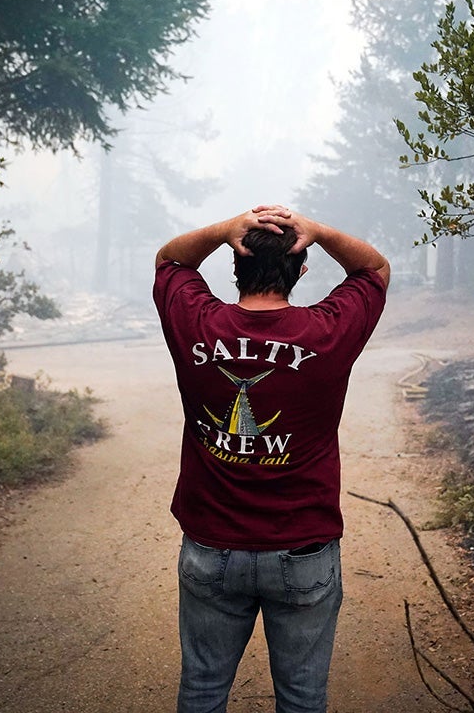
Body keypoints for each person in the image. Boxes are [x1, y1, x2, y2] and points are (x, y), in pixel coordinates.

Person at [153, 204, 390, 713]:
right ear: (302, 271)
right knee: (303, 698)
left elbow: (169, 263)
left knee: (202, 688)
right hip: (304, 547)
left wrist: (220, 230)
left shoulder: (197, 321)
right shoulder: (326, 332)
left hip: (210, 545)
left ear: (234, 265)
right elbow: (373, 270)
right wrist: (322, 230)